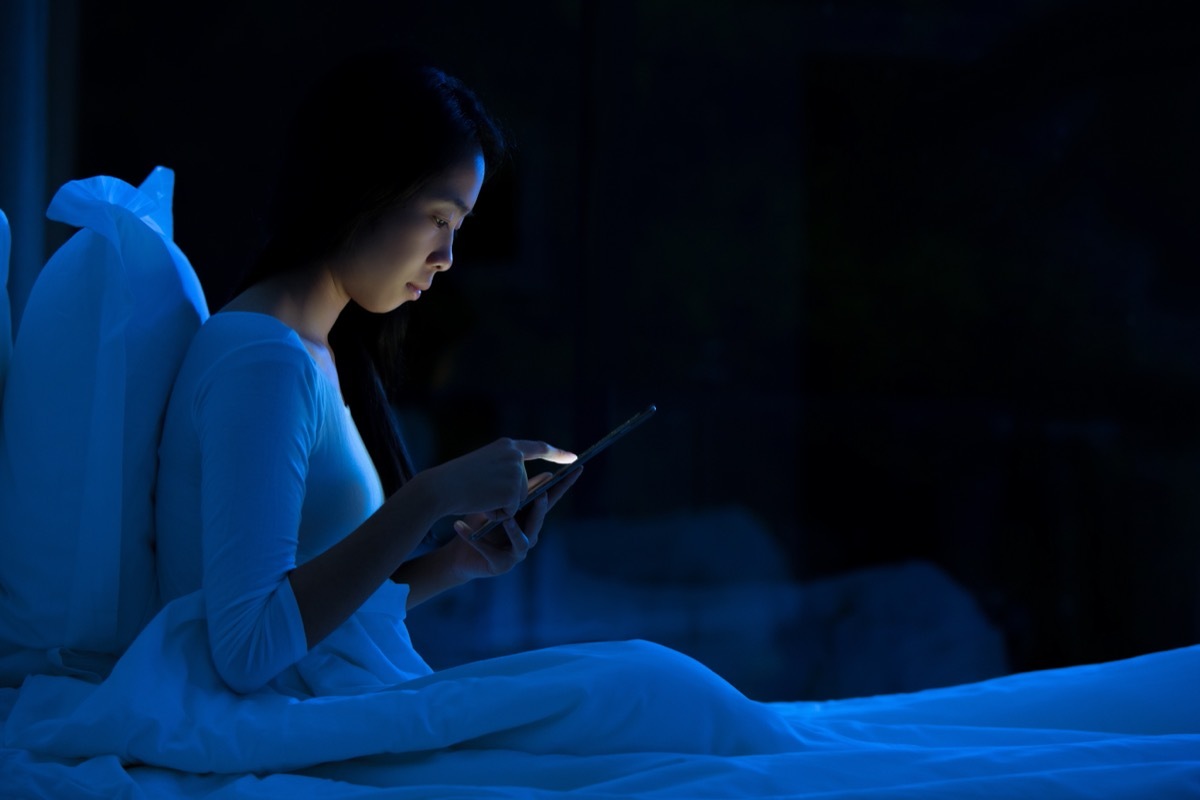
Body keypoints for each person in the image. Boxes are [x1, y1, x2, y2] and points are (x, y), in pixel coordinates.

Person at [153, 54, 582, 694]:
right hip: (271, 723)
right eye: (439, 218)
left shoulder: (309, 352)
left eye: (458, 228)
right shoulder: (262, 362)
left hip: (322, 701)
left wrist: (454, 563)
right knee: (638, 688)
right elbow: (247, 649)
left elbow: (313, 618)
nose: (447, 258)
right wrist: (429, 497)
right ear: (363, 188)